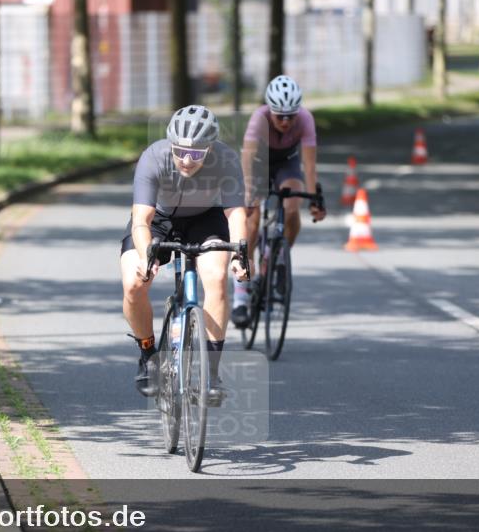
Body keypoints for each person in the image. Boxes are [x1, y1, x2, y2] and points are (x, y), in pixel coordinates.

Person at [120, 105, 249, 404]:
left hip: (205, 220)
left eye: (196, 154)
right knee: (133, 283)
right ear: (170, 144)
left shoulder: (226, 159)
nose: (186, 160)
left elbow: (235, 213)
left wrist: (240, 254)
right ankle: (148, 353)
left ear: (210, 148)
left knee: (216, 279)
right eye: (180, 151)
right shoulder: (154, 157)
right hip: (159, 221)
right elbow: (142, 219)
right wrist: (145, 256)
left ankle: (211, 375)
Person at [232, 75, 326, 328]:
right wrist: (248, 194)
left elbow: (308, 164)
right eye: (280, 116)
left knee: (292, 204)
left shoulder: (305, 120)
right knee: (250, 223)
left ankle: (280, 257)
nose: (285, 121)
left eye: (290, 116)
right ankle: (241, 295)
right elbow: (248, 160)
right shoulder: (259, 119)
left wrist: (315, 197)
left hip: (287, 163)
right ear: (270, 111)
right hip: (259, 162)